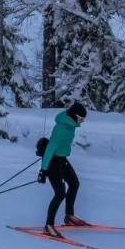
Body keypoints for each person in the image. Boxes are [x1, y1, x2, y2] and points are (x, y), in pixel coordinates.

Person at [36, 101, 88, 237]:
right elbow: (50, 149)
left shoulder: (70, 125)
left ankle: (69, 216)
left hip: (61, 159)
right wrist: (43, 170)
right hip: (52, 160)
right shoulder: (61, 128)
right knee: (60, 193)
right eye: (81, 118)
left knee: (74, 184)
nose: (82, 121)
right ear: (74, 116)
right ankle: (48, 225)